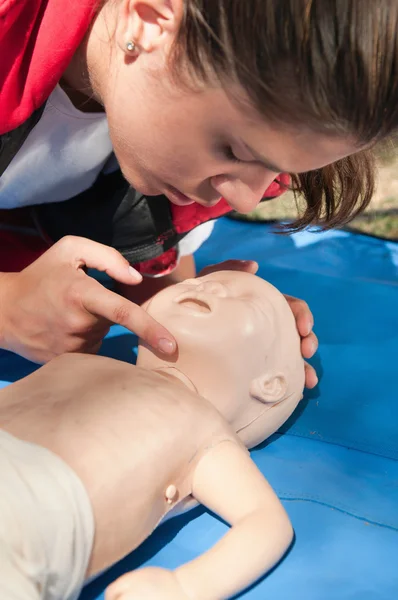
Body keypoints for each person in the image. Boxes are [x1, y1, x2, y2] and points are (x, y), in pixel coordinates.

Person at [1, 1, 398, 383]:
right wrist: (9, 311)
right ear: (149, 21)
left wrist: (209, 319)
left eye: (280, 169)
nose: (245, 199)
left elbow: (155, 275)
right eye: (235, 152)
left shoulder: (175, 145)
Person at [0, 267, 304, 600]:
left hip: (31, 517)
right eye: (197, 280)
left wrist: (187, 586)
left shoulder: (204, 430)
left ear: (270, 385)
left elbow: (265, 521)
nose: (207, 285)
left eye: (246, 300)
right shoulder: (77, 362)